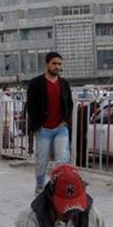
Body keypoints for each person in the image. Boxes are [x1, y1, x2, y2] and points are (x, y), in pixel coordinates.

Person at [26, 52, 74, 194]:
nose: (57, 66)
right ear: (47, 64)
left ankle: (57, 186)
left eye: (59, 64)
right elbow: (30, 106)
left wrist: (66, 121)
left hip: (61, 128)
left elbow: (69, 104)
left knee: (62, 160)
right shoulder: (35, 83)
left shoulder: (64, 83)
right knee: (42, 161)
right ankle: (40, 186)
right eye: (54, 63)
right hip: (43, 129)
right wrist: (36, 126)